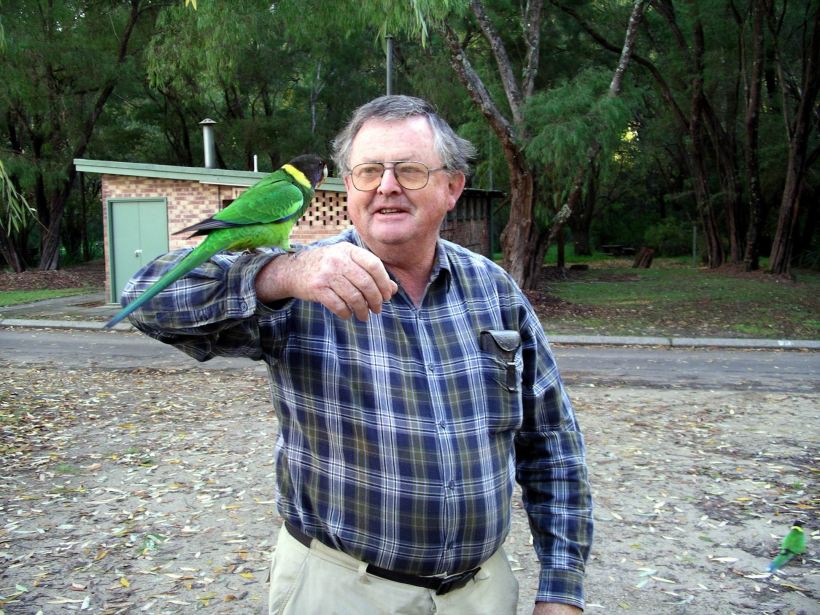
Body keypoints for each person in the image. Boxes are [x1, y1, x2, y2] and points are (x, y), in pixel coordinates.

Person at [123, 94, 593, 614]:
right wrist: (280, 275)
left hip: (481, 594)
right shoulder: (303, 282)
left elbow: (552, 442)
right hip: (341, 593)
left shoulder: (496, 292)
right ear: (348, 186)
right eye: (368, 170)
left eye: (410, 170)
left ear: (453, 187)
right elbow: (146, 299)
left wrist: (562, 588)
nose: (386, 186)